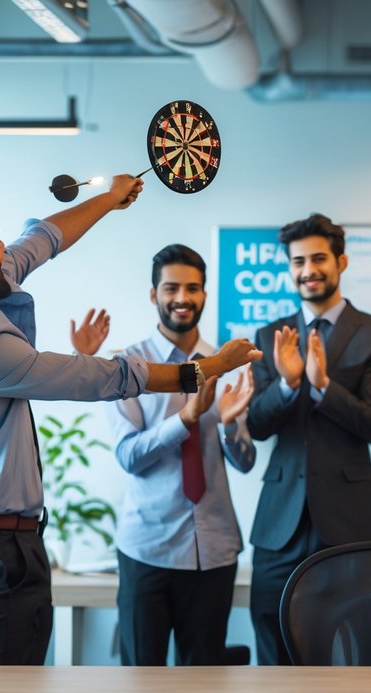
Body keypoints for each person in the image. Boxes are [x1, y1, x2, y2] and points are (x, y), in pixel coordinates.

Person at [0, 178, 260, 665]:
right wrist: (209, 369)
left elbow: (41, 239)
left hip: (0, 540)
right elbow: (99, 377)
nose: (4, 247)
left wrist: (109, 199)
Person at [246, 213, 371, 665]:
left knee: (351, 649)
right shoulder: (270, 336)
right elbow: (257, 426)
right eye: (298, 261)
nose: (308, 270)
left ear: (341, 262)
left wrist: (322, 387)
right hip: (279, 526)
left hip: (348, 524)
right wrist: (289, 386)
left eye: (318, 258)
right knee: (273, 643)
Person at [106, 244, 255, 666]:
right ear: (153, 294)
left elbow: (245, 462)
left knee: (205, 684)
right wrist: (187, 417)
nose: (182, 298)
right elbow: (128, 456)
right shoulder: (128, 366)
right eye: (171, 288)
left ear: (205, 295)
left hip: (214, 548)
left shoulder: (229, 364)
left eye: (193, 288)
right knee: (141, 681)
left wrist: (228, 424)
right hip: (147, 548)